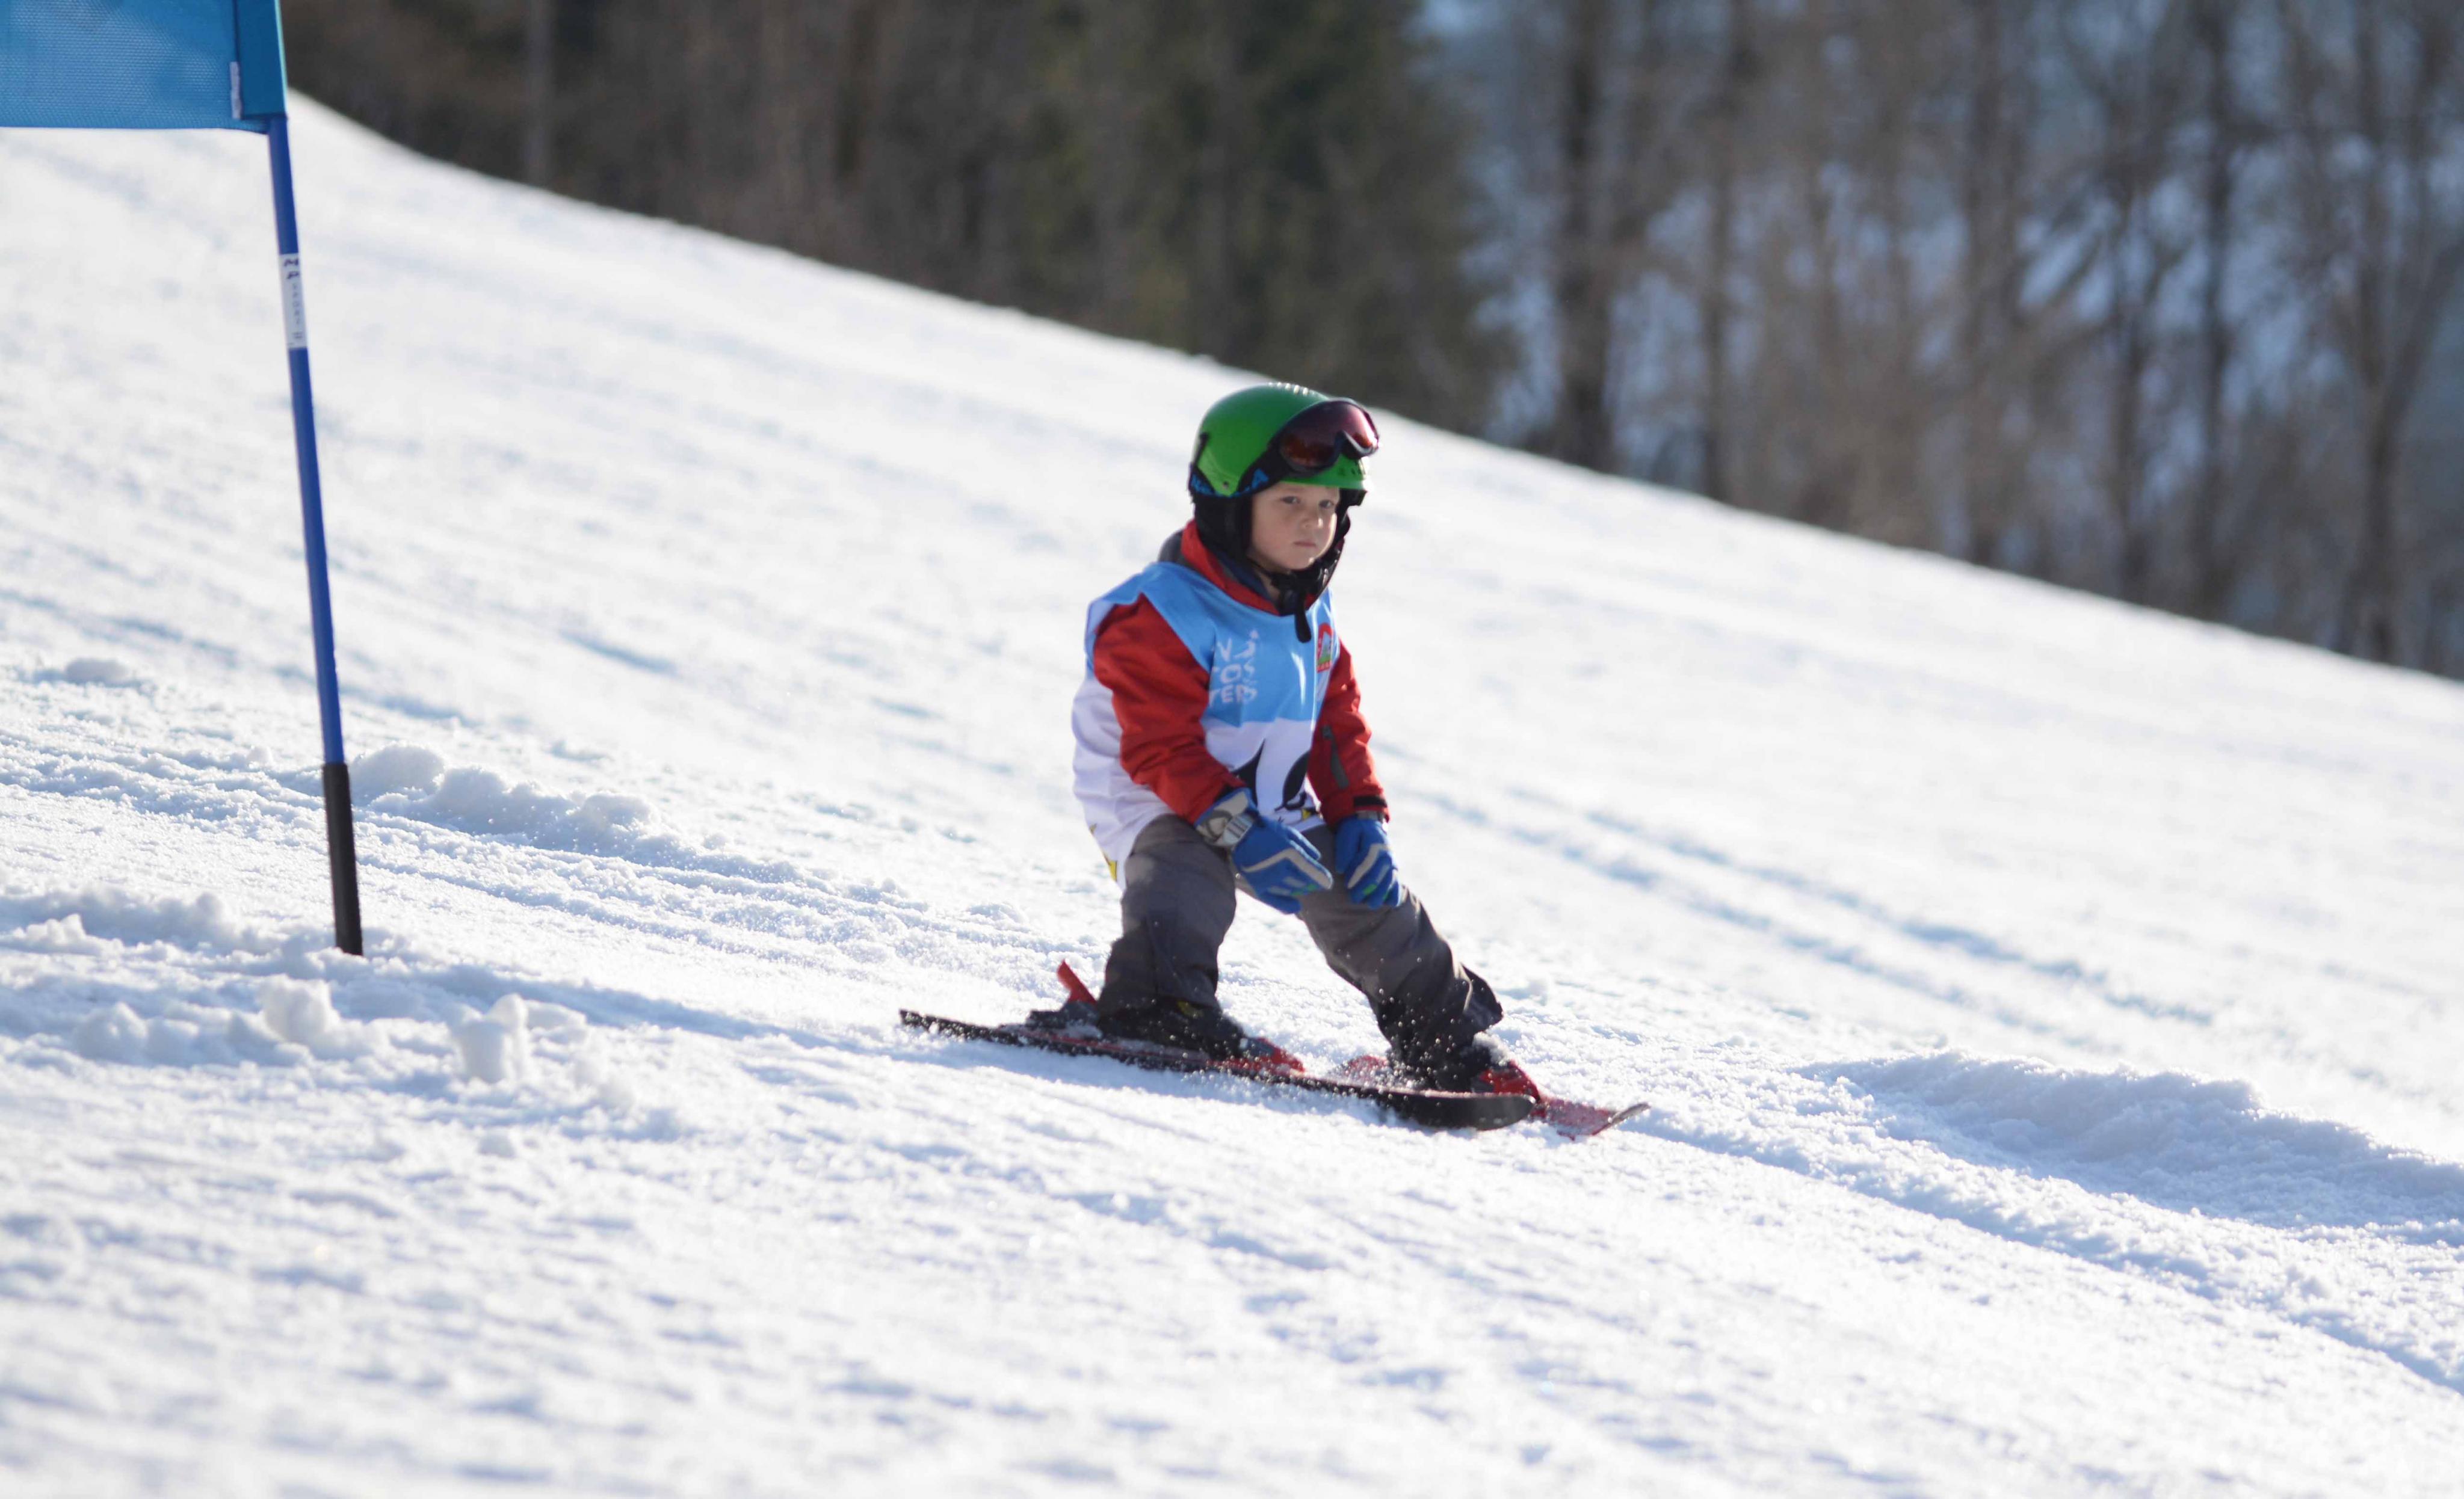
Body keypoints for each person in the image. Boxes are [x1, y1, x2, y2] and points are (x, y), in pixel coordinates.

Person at [1043, 382, 1536, 1098]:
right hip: (1157, 795)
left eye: (1330, 506)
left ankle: (1445, 1038)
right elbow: (1159, 748)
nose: (1314, 523)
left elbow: (1336, 722)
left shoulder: (1306, 609)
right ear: (1228, 503)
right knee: (1188, 875)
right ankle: (1159, 1007)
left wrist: (1360, 815)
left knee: (1371, 898)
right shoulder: (1159, 611)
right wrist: (1235, 826)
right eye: (1291, 502)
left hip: (1266, 798)